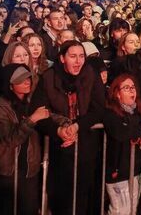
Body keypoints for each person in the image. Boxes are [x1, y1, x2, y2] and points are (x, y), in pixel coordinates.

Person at [35, 40, 105, 215]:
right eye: (73, 56)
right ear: (62, 58)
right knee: (62, 200)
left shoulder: (90, 74)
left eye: (81, 56)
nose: (78, 61)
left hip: (86, 146)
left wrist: (77, 126)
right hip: (59, 149)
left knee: (83, 197)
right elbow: (39, 113)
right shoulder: (49, 77)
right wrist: (59, 130)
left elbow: (99, 108)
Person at [0, 64, 63, 215]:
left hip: (29, 169)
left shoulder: (31, 102)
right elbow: (11, 139)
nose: (27, 82)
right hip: (7, 171)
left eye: (28, 78)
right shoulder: (0, 108)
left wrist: (67, 124)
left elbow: (50, 115)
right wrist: (32, 119)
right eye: (21, 80)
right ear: (10, 85)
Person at [103, 74, 141, 215]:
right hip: (118, 171)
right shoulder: (110, 112)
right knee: (120, 210)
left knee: (132, 209)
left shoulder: (138, 111)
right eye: (126, 88)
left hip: (135, 169)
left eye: (133, 87)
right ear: (117, 93)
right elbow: (121, 131)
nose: (131, 91)